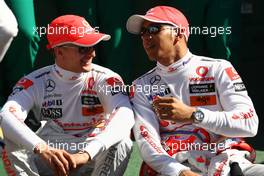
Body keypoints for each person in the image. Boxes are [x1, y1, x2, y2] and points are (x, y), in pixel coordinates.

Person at [126, 6, 264, 176]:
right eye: (143, 32)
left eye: (154, 29)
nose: (146, 37)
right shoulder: (141, 86)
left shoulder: (218, 69)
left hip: (226, 161)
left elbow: (249, 124)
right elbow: (148, 145)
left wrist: (193, 115)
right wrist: (181, 172)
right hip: (176, 167)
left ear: (178, 33)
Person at [0, 14, 134, 176]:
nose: (92, 54)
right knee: (10, 139)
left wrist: (86, 154)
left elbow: (125, 115)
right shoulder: (34, 81)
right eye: (83, 48)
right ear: (59, 51)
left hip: (91, 149)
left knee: (122, 141)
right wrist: (42, 148)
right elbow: (6, 115)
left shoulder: (106, 78)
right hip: (51, 150)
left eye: (93, 47)